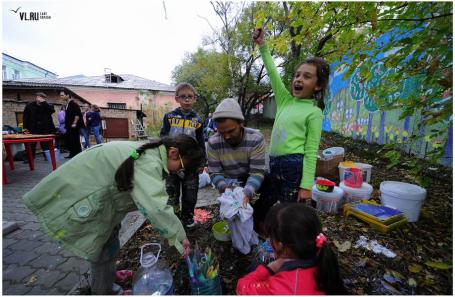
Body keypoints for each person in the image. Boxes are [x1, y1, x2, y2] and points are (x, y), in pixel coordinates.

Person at [23, 134, 204, 294]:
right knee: (102, 248)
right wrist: (180, 237)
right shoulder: (149, 163)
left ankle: (107, 276)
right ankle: (103, 290)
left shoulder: (151, 153)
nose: (176, 172)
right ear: (173, 153)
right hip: (83, 197)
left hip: (98, 199)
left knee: (110, 240)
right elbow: (156, 208)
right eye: (180, 167)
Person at [253, 28, 329, 203]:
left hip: (293, 167)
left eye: (307, 76)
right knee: (264, 204)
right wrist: (262, 46)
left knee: (288, 210)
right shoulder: (285, 101)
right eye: (297, 75)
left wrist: (306, 186)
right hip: (273, 163)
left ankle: (287, 229)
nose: (299, 79)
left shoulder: (314, 112)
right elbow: (273, 73)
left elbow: (311, 151)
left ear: (318, 86)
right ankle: (259, 228)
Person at [236, 203, 347, 295]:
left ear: (280, 245)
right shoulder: (324, 258)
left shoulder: (282, 287)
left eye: (271, 237)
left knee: (256, 266)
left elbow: (242, 288)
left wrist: (269, 268)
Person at [160, 82, 206, 228]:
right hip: (173, 161)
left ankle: (187, 217)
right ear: (176, 99)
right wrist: (163, 158)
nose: (186, 100)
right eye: (183, 97)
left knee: (190, 193)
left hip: (190, 162)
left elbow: (201, 141)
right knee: (171, 192)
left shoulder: (198, 120)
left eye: (190, 97)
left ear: (195, 99)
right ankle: (174, 219)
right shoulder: (169, 117)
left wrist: (202, 162)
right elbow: (163, 137)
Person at [207, 98, 267, 208]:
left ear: (241, 123)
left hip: (250, 176)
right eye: (221, 132)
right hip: (228, 182)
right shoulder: (212, 142)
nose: (227, 136)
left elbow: (257, 172)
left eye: (231, 131)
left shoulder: (256, 139)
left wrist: (248, 192)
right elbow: (215, 173)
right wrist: (225, 189)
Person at [22, 92, 56, 158]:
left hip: (44, 127)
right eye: (39, 97)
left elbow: (52, 111)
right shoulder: (29, 105)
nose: (41, 99)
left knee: (45, 143)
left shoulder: (48, 105)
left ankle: (47, 156)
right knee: (32, 143)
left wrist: (44, 103)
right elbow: (25, 117)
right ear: (36, 97)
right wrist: (25, 127)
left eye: (43, 98)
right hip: (33, 127)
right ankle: (30, 158)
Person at [61, 90, 84, 158]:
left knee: (75, 140)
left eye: (62, 95)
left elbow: (77, 114)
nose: (61, 97)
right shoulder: (67, 104)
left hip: (73, 126)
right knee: (71, 140)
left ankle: (77, 155)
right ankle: (72, 154)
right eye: (60, 95)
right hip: (69, 126)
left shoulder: (73, 104)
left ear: (67, 95)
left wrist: (74, 123)